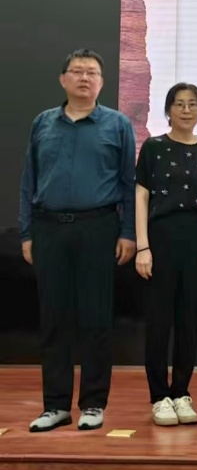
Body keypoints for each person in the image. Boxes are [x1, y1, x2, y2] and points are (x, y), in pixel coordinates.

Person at [20, 49, 136, 433]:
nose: (85, 78)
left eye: (92, 73)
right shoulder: (43, 123)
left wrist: (128, 233)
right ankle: (55, 406)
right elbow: (29, 181)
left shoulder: (117, 124)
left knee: (95, 318)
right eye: (77, 71)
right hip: (49, 229)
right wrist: (27, 232)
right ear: (63, 79)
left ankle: (93, 403)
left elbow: (128, 184)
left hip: (98, 228)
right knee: (53, 319)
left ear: (102, 82)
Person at [135, 83, 197, 426]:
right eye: (179, 104)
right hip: (161, 239)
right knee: (159, 322)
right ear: (168, 110)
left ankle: (181, 392)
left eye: (193, 104)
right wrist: (143, 246)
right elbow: (141, 196)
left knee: (189, 321)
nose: (186, 110)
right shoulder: (154, 147)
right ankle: (159, 396)